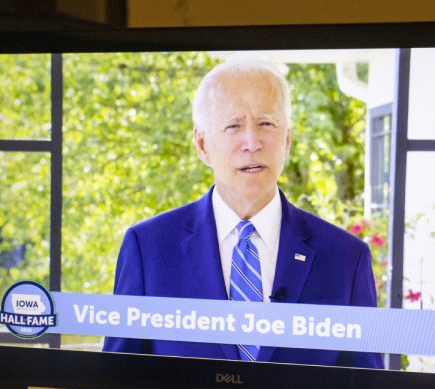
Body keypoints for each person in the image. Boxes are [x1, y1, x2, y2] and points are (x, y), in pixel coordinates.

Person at [103, 59, 383, 369]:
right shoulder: (148, 248)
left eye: (266, 123)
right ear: (202, 144)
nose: (252, 142)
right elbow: (117, 381)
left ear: (287, 139)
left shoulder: (345, 257)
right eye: (233, 126)